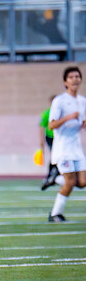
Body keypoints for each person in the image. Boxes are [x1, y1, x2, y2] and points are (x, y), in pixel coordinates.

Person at [47, 66, 86, 222]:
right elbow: (51, 125)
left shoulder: (82, 101)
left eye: (77, 76)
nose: (75, 79)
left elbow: (80, 122)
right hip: (63, 148)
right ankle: (55, 214)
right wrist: (68, 117)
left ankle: (55, 178)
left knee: (82, 182)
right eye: (71, 77)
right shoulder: (60, 101)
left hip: (77, 148)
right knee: (70, 183)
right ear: (65, 82)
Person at [40, 95, 60, 190]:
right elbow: (42, 126)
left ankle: (57, 175)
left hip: (60, 137)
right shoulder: (46, 113)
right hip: (50, 137)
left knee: (60, 156)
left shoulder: (62, 113)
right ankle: (50, 176)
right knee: (54, 155)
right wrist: (41, 141)